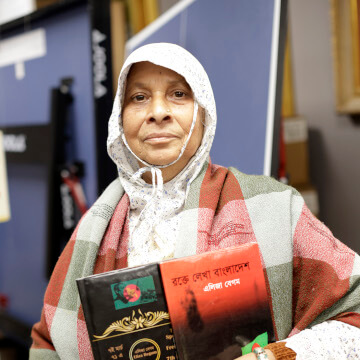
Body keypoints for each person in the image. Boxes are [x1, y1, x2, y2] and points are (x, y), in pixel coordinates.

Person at [30, 43, 360, 360]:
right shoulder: (95, 227)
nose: (158, 113)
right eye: (139, 97)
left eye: (178, 94)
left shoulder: (274, 207)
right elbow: (49, 342)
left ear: (204, 113)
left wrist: (272, 357)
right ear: (120, 118)